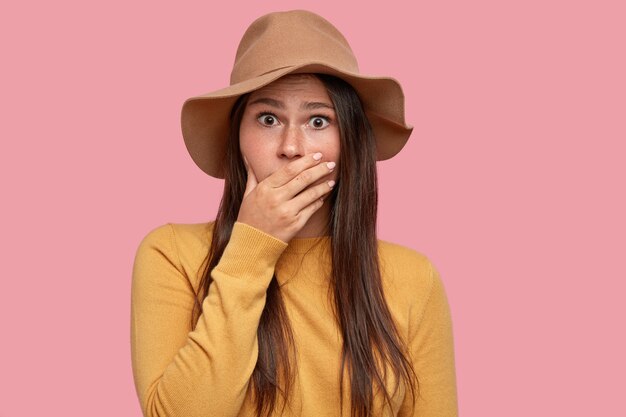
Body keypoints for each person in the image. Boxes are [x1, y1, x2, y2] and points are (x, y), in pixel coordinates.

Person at [131, 9, 458, 417]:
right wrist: (251, 247)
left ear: (350, 140)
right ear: (237, 138)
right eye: (268, 119)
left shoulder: (413, 278)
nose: (291, 146)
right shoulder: (171, 253)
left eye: (318, 120)